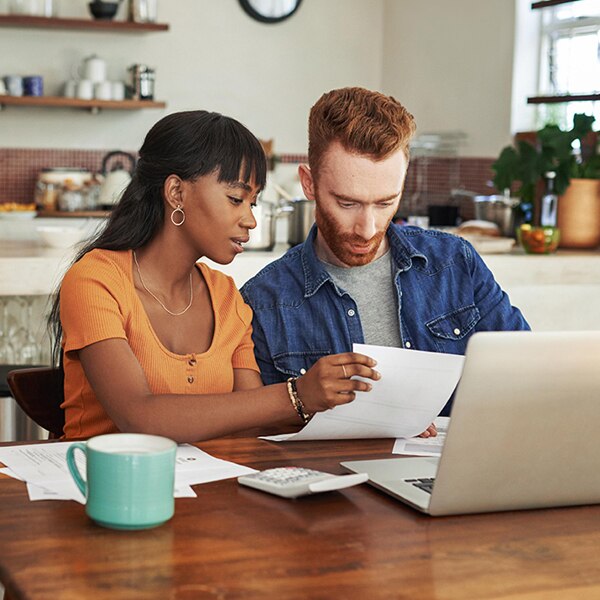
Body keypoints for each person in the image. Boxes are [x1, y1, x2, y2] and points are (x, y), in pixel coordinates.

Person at [50, 110, 380, 442]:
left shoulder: (226, 296)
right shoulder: (96, 280)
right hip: (100, 486)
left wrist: (376, 420)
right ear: (177, 193)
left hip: (209, 489)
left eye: (252, 203)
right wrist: (297, 395)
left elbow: (251, 423)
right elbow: (140, 418)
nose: (250, 220)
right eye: (236, 199)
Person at [240, 87, 530, 416]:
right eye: (347, 203)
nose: (367, 227)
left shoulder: (455, 262)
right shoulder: (262, 301)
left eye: (385, 202)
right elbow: (260, 435)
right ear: (309, 183)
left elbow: (525, 370)